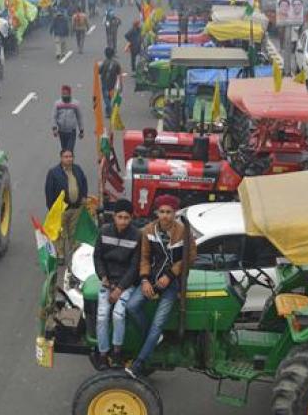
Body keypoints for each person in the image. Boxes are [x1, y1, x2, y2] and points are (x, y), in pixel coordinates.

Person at [125, 195, 197, 378]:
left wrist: (171, 274)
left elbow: (189, 257)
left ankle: (139, 363)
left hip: (173, 284)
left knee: (159, 322)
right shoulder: (148, 231)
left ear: (174, 213)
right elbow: (145, 258)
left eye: (169, 212)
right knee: (131, 306)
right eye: (162, 212)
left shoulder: (184, 232)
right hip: (152, 280)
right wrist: (145, 280)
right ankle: (154, 337)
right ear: (157, 212)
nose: (165, 216)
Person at [93, 198, 141, 370]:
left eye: (126, 218)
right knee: (102, 315)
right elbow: (97, 257)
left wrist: (120, 288)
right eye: (120, 217)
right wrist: (103, 277)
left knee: (118, 314)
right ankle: (103, 354)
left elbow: (135, 267)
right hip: (107, 282)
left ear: (131, 218)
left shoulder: (137, 236)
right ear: (114, 217)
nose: (123, 221)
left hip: (126, 284)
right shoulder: (104, 232)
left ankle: (117, 352)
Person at [44, 149, 88, 266]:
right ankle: (61, 255)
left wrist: (83, 197)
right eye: (66, 157)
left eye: (70, 157)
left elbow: (83, 183)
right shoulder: (54, 173)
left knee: (75, 232)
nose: (69, 159)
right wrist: (52, 209)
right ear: (61, 158)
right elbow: (49, 192)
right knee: (60, 233)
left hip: (76, 208)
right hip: (61, 209)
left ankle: (76, 254)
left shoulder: (77, 169)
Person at [52, 85, 84, 153]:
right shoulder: (57, 104)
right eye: (63, 94)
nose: (65, 95)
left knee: (69, 150)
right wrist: (54, 129)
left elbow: (79, 117)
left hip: (71, 132)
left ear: (70, 94)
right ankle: (67, 162)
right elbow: (54, 117)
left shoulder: (75, 104)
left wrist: (81, 130)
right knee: (64, 150)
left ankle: (69, 162)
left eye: (66, 94)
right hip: (61, 131)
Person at [99, 47, 122, 118]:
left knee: (105, 97)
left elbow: (99, 71)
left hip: (104, 82)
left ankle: (109, 109)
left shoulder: (104, 62)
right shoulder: (116, 63)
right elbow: (119, 72)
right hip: (112, 82)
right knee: (109, 96)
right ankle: (108, 111)